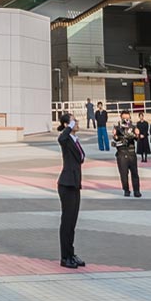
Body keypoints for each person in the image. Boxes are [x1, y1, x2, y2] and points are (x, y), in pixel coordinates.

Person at [57, 112, 85, 269]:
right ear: (68, 125)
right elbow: (60, 138)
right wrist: (68, 128)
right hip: (66, 185)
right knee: (66, 222)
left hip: (75, 184)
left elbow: (80, 158)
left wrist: (72, 129)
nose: (77, 122)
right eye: (74, 120)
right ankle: (64, 257)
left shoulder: (74, 140)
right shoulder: (65, 139)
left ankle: (71, 253)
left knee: (72, 222)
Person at [114, 114, 141, 198]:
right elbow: (115, 139)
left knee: (135, 173)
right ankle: (126, 190)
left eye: (127, 118)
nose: (126, 119)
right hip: (121, 153)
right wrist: (115, 135)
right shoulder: (118, 127)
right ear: (121, 118)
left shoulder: (133, 127)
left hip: (131, 152)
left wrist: (137, 134)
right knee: (123, 174)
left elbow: (137, 139)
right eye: (124, 118)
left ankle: (136, 191)